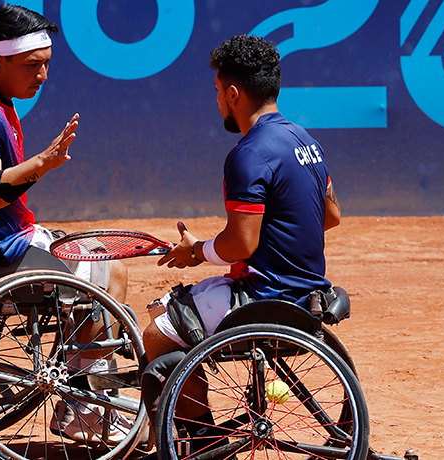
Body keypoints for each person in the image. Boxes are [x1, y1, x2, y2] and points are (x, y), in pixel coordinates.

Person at [0, 3, 131, 444]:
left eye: (48, 64)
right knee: (111, 273)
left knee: (83, 255)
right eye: (33, 65)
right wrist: (42, 164)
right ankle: (85, 409)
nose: (43, 76)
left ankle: (83, 385)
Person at [139, 34, 342, 455]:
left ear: (233, 94)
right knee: (173, 309)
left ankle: (201, 441)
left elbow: (241, 243)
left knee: (157, 337)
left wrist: (195, 251)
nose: (217, 101)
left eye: (217, 92)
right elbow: (331, 216)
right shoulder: (305, 140)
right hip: (307, 292)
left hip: (264, 297)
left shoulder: (248, 152)